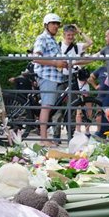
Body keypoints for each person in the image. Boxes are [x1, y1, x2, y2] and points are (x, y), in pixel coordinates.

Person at [32, 13, 68, 146]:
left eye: (57, 24)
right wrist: (55, 63)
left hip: (53, 77)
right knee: (46, 107)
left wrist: (62, 63)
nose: (56, 26)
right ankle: (43, 139)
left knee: (48, 107)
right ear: (46, 25)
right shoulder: (42, 38)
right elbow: (36, 57)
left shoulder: (52, 40)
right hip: (47, 77)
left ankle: (45, 138)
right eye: (53, 23)